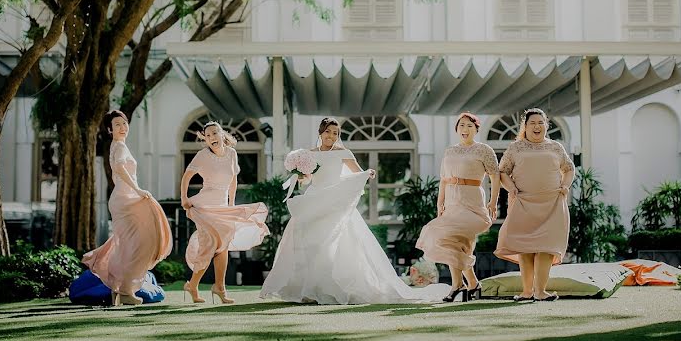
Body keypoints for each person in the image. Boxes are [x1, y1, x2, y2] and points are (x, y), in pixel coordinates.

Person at [260, 117, 449, 304]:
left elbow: (358, 172)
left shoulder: (344, 153)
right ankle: (310, 289)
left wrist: (368, 173)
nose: (331, 136)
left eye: (335, 133)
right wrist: (299, 174)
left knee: (336, 244)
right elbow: (307, 179)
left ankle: (333, 289)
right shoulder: (309, 154)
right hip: (315, 199)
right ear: (320, 132)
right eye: (328, 132)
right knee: (310, 244)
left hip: (335, 202)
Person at [83, 110, 172, 306]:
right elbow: (121, 170)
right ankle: (125, 290)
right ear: (109, 129)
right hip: (126, 199)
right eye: (117, 125)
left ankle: (121, 290)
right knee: (140, 244)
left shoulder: (117, 146)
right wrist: (138, 189)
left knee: (127, 246)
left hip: (123, 199)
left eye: (124, 124)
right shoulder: (120, 147)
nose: (122, 128)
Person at [181, 122, 269, 304]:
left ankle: (219, 288)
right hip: (204, 207)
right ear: (205, 140)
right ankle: (193, 284)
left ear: (222, 134)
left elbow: (233, 181)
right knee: (210, 244)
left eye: (215, 133)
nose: (212, 137)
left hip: (223, 206)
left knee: (223, 246)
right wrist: (184, 198)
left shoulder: (232, 153)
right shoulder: (202, 155)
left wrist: (231, 204)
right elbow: (186, 177)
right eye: (208, 136)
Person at [417, 112, 500, 301]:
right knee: (450, 242)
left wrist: (493, 201)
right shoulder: (450, 151)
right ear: (457, 129)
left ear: (476, 129)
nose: (465, 129)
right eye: (461, 125)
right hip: (452, 203)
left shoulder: (484, 150)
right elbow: (444, 180)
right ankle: (464, 284)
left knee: (458, 242)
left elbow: (495, 176)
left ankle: (466, 283)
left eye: (470, 126)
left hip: (473, 204)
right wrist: (440, 202)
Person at [495, 108, 575, 302]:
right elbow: (502, 172)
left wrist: (565, 185)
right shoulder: (516, 148)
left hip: (553, 204)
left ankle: (540, 291)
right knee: (526, 246)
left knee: (547, 247)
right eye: (532, 123)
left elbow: (569, 169)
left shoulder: (555, 147)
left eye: (541, 123)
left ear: (546, 125)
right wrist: (511, 188)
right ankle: (527, 291)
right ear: (525, 126)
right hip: (523, 202)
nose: (537, 126)